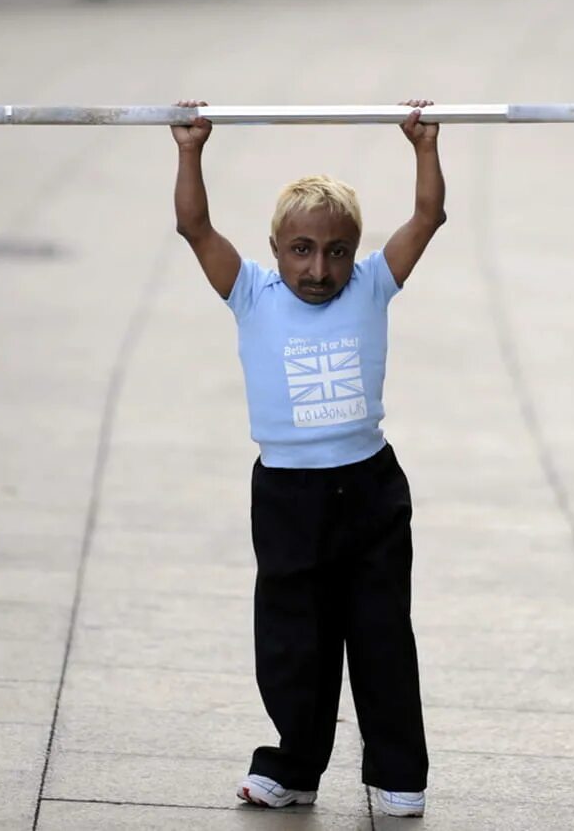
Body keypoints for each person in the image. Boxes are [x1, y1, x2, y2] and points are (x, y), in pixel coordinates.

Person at [169, 98, 446, 819]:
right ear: (275, 247)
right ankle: (293, 768)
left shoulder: (374, 283)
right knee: (296, 638)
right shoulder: (251, 293)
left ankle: (397, 774)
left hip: (370, 488)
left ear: (355, 251)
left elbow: (428, 219)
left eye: (335, 251)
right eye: (301, 250)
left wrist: (423, 145)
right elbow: (193, 226)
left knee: (380, 632)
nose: (318, 268)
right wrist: (191, 149)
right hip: (289, 496)